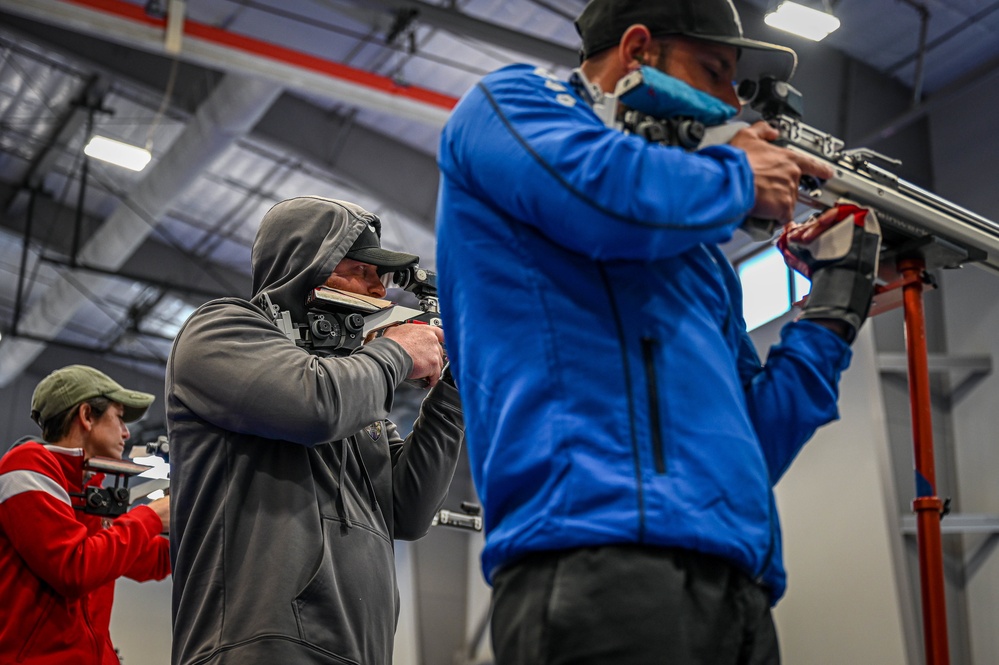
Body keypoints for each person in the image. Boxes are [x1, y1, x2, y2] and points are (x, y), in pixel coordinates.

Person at [435, 0, 881, 663]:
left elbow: (751, 443)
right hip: (593, 561)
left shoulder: (697, 257)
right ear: (638, 51)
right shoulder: (510, 103)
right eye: (714, 71)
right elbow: (606, 198)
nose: (733, 102)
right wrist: (737, 175)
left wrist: (833, 307)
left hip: (737, 584)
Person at [167, 195, 464, 665]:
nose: (380, 292)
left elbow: (408, 511)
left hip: (358, 651)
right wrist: (397, 352)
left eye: (382, 279)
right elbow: (315, 406)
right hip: (260, 646)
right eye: (363, 270)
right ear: (309, 263)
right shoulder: (220, 330)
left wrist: (453, 390)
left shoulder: (353, 387)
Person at [0, 364, 171, 664]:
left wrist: (198, 527)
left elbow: (149, 560)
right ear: (87, 416)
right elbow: (74, 568)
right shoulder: (26, 466)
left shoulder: (88, 488)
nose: (127, 432)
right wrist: (153, 516)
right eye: (119, 417)